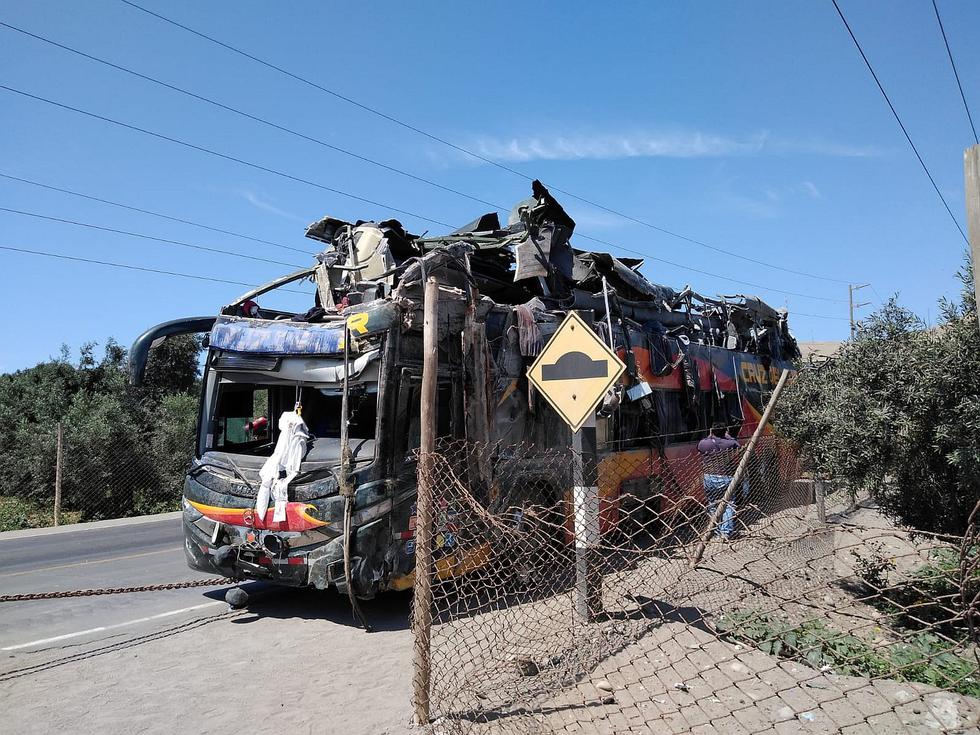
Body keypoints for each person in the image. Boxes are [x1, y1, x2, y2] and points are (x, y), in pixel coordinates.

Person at [697, 422, 742, 540]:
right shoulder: (730, 443)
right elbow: (738, 445)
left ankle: (715, 531)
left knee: (713, 505)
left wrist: (710, 437)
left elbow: (699, 448)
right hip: (726, 477)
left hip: (709, 477)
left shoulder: (703, 443)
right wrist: (727, 436)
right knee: (728, 504)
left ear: (712, 431)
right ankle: (725, 532)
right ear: (725, 431)